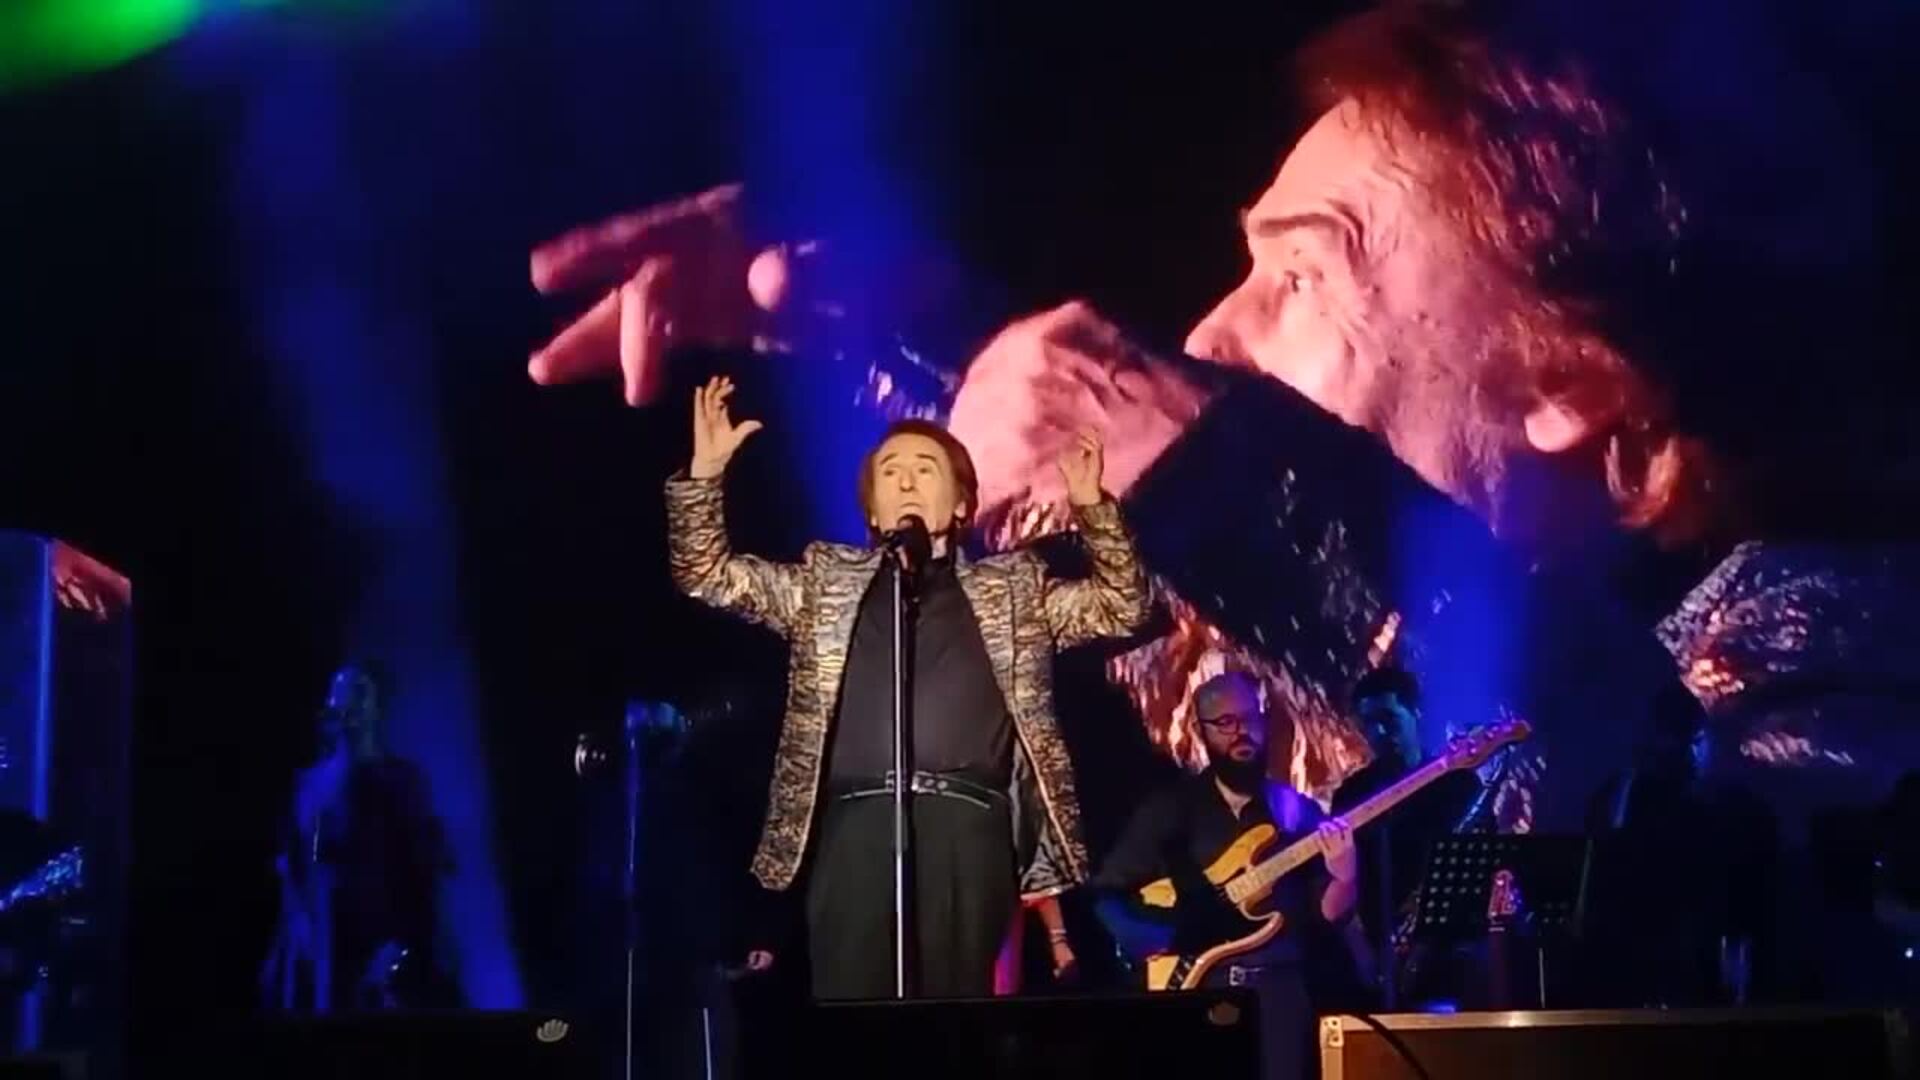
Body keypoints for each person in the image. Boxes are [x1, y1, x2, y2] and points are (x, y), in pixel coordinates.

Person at [529, 0, 1919, 999]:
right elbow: (1290, 667)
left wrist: (1201, 460)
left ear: (1569, 378)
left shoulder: (1841, 656)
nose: (1208, 335)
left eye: (1301, 276)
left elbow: (1625, 868)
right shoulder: (1436, 691)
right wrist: (886, 331)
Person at [665, 374, 1150, 1000]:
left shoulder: (1013, 590)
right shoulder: (825, 585)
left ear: (962, 505)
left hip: (967, 828)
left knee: (953, 1022)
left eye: (925, 469)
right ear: (872, 511)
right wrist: (704, 478)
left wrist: (1095, 512)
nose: (906, 482)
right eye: (890, 472)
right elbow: (708, 575)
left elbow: (1123, 607)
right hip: (855, 827)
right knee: (857, 1017)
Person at [1089, 671, 1355, 1080]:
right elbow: (1106, 893)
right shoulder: (1169, 810)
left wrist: (1346, 877)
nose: (1240, 732)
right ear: (1201, 730)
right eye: (1225, 723)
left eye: (1249, 718)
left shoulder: (1296, 811)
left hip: (1279, 993)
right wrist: (1155, 941)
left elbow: (1329, 914)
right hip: (1198, 990)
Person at [259, 664, 452, 1012]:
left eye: (359, 691)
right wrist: (301, 925)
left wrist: (398, 946)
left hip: (384, 944)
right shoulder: (310, 785)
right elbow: (292, 864)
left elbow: (423, 871)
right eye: (340, 691)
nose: (348, 701)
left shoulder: (403, 781)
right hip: (324, 946)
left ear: (376, 706)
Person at [1329, 665, 1485, 1008]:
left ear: (1416, 712)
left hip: (1447, 960)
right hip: (1377, 963)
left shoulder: (1459, 786)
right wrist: (1362, 953)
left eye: (1389, 719)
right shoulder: (1350, 796)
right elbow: (1338, 887)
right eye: (1368, 724)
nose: (1378, 733)